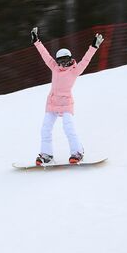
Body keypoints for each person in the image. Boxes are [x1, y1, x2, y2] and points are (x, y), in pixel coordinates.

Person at [30, 27, 104, 165]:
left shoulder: (74, 70)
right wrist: (36, 41)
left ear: (70, 59)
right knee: (45, 128)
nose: (63, 64)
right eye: (60, 61)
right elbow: (45, 55)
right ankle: (46, 154)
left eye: (65, 60)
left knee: (68, 127)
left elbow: (86, 60)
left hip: (66, 104)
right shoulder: (54, 67)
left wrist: (93, 47)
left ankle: (78, 152)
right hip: (52, 103)